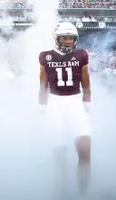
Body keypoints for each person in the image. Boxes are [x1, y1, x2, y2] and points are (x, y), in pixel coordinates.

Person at [38, 22, 92, 196]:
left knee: (85, 151)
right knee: (59, 156)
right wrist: (41, 107)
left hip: (75, 102)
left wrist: (87, 105)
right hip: (55, 103)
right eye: (64, 37)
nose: (68, 41)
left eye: (71, 38)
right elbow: (42, 85)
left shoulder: (82, 55)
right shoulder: (46, 56)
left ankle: (83, 194)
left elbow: (86, 84)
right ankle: (62, 193)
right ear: (57, 38)